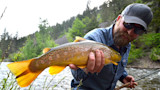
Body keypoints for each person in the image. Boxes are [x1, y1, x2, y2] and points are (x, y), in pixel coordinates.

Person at [69, 3, 153, 90]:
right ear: (119, 19)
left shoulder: (126, 43)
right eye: (128, 24)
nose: (130, 32)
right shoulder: (93, 39)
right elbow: (78, 77)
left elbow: (116, 64)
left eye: (138, 30)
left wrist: (123, 76)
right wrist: (85, 69)